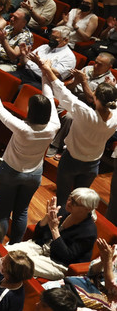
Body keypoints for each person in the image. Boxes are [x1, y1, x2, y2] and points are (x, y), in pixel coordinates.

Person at [39, 57, 117, 205]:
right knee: (79, 201)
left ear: (95, 98)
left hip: (71, 161)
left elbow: (61, 90)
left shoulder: (85, 112)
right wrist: (112, 87)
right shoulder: (115, 117)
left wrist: (48, 69)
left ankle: (59, 224)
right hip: (93, 165)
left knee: (63, 197)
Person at [0, 81, 59, 242]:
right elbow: (49, 97)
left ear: (31, 110)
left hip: (10, 172)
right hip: (34, 175)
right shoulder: (54, 126)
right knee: (22, 211)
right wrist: (45, 74)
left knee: (3, 212)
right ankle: (15, 245)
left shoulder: (22, 128)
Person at [7, 189, 99, 280]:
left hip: (58, 263)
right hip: (43, 247)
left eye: (75, 202)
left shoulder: (89, 232)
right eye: (70, 198)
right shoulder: (64, 211)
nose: (69, 203)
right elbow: (38, 235)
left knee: (16, 263)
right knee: (6, 253)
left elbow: (67, 256)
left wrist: (54, 230)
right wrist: (46, 218)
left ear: (87, 209)